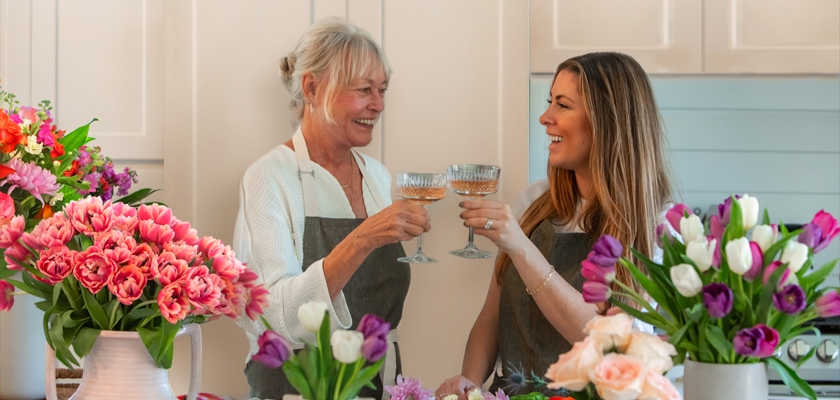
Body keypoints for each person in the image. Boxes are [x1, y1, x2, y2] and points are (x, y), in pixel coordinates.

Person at [436, 52, 673, 398]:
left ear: (606, 121)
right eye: (550, 102)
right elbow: (491, 318)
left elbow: (608, 345)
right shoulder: (533, 202)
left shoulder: (656, 227)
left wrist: (521, 248)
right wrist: (469, 385)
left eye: (562, 105)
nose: (545, 118)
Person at [233, 17, 430, 400]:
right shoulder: (268, 177)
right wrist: (364, 237)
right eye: (364, 90)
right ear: (311, 87)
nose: (378, 105)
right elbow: (277, 315)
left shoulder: (376, 176)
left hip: (377, 385)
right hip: (294, 388)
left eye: (382, 90)